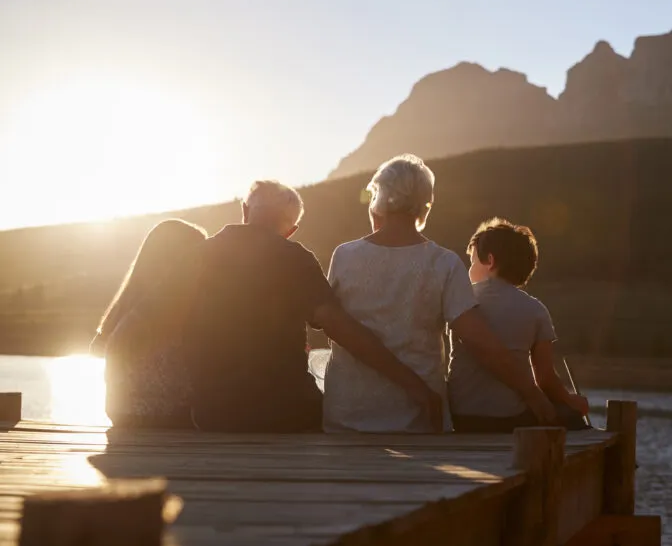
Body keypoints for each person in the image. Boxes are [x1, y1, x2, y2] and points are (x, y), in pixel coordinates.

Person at [176, 180, 441, 433]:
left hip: (212, 413)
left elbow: (153, 315)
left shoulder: (199, 255)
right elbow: (340, 327)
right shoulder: (295, 258)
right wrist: (413, 384)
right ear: (291, 230)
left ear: (245, 210)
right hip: (284, 412)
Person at [322, 154, 557, 433]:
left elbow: (332, 327)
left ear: (379, 201)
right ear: (424, 207)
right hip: (417, 420)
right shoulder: (444, 263)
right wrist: (532, 394)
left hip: (347, 418)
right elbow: (480, 342)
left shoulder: (344, 255)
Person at [448, 218, 590, 433]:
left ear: (490, 260)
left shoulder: (460, 299)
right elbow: (545, 377)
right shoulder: (536, 310)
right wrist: (570, 400)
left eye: (472, 262)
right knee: (568, 416)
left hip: (460, 416)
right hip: (510, 419)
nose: (469, 270)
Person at [90, 218, 207, 429]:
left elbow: (96, 349)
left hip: (121, 414)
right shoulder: (174, 306)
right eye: (198, 257)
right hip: (168, 417)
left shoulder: (128, 303)